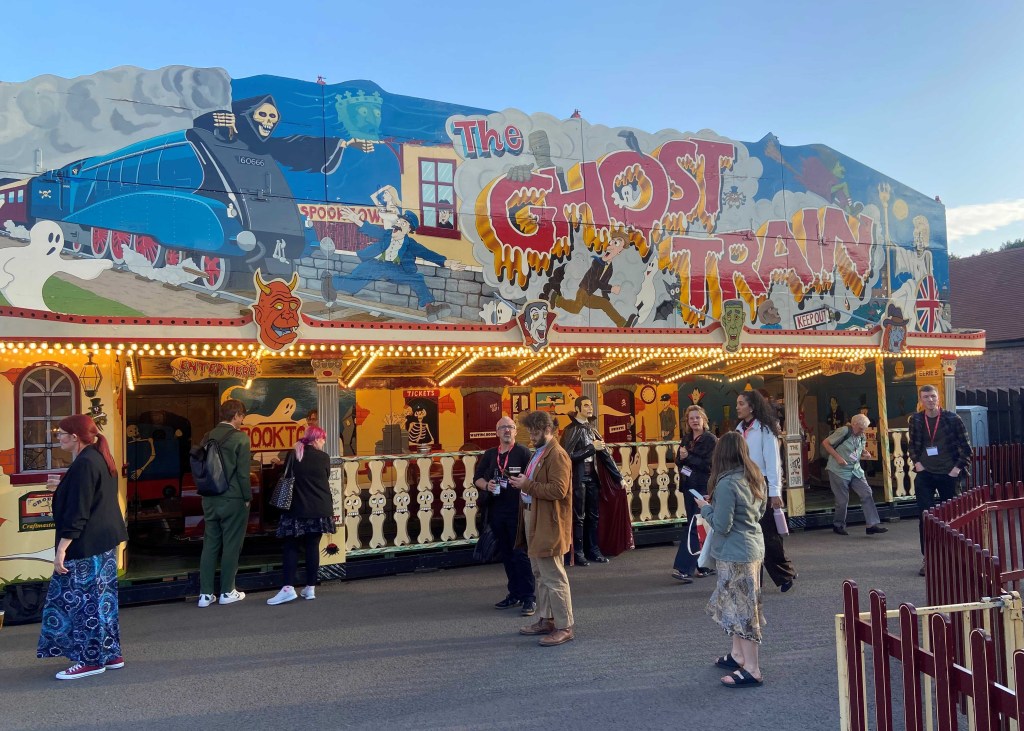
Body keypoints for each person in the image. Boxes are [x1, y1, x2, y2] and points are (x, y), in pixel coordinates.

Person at [37, 414, 128, 680]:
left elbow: (79, 511)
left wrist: (62, 549)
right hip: (103, 542)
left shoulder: (84, 463)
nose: (59, 439)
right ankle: (110, 654)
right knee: (103, 602)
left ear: (75, 437)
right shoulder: (99, 457)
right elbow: (91, 495)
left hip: (85, 544)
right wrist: (63, 486)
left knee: (83, 603)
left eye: (61, 434)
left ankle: (89, 661)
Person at [693, 431, 767, 688]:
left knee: (742, 610)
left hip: (734, 552)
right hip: (753, 546)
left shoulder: (726, 483)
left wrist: (705, 508)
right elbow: (761, 511)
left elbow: (722, 525)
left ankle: (752, 668)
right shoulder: (754, 476)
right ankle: (738, 655)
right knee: (741, 605)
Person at [321, 208, 467, 321]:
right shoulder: (386, 234)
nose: (398, 225)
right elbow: (372, 230)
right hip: (375, 263)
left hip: (395, 268)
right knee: (354, 285)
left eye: (403, 224)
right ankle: (330, 281)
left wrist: (448, 263)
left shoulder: (410, 244)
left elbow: (428, 254)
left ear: (409, 230)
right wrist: (357, 220)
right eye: (398, 222)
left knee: (417, 278)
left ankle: (430, 308)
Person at [510, 411, 575, 646]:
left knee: (553, 575)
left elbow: (558, 490)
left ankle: (564, 626)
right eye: (530, 431)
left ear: (548, 430)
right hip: (534, 517)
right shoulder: (540, 452)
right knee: (540, 573)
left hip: (549, 521)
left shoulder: (557, 455)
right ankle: (547, 619)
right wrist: (524, 484)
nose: (531, 436)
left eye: (535, 432)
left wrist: (527, 484)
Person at [472, 417, 536, 616]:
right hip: (497, 511)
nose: (507, 430)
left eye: (510, 427)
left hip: (518, 511)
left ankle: (529, 598)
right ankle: (514, 594)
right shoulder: (490, 454)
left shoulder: (523, 452)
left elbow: (533, 477)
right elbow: (477, 478)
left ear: (516, 431)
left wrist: (523, 482)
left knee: (520, 555)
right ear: (497, 432)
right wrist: (487, 485)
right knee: (507, 555)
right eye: (503, 428)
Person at [735, 390, 797, 592]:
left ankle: (784, 573)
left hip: (762, 485)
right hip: (744, 486)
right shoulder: (738, 429)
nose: (737, 407)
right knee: (749, 534)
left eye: (741, 403)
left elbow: (773, 462)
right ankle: (754, 578)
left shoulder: (764, 430)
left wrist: (775, 492)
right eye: (737, 403)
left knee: (769, 534)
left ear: (751, 407)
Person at [267, 425, 337, 605]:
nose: (324, 442)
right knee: (313, 547)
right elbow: (325, 477)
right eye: (323, 439)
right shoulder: (324, 457)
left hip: (296, 508)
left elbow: (286, 475)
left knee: (291, 546)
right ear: (316, 439)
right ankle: (310, 587)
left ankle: (288, 588)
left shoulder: (294, 455)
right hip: (320, 508)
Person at [908, 384, 972, 576]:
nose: (930, 400)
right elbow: (912, 445)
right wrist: (917, 463)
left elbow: (966, 447)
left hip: (948, 474)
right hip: (925, 474)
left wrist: (956, 470)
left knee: (953, 516)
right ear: (921, 400)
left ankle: (954, 556)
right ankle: (928, 558)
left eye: (933, 396)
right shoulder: (916, 420)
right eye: (926, 397)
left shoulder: (953, 419)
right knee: (925, 517)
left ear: (938, 398)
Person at [197, 399, 252, 608]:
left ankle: (205, 594)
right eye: (242, 416)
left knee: (210, 544)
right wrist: (247, 498)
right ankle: (227, 591)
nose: (242, 420)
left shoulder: (207, 436)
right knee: (231, 544)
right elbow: (243, 474)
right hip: (233, 498)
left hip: (209, 498)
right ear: (236, 415)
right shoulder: (240, 438)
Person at [560, 396, 611, 565]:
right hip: (578, 477)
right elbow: (567, 456)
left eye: (591, 405)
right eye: (586, 405)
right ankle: (578, 552)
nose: (590, 408)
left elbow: (605, 455)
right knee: (579, 516)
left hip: (593, 477)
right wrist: (591, 449)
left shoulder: (592, 429)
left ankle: (593, 549)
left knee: (593, 515)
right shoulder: (570, 430)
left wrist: (618, 478)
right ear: (577, 408)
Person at [671, 405, 718, 583]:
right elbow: (679, 461)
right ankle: (703, 565)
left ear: (704, 419)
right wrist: (682, 459)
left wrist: (687, 458)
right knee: (699, 526)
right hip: (688, 487)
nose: (695, 421)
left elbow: (708, 465)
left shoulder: (710, 440)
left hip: (702, 488)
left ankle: (684, 568)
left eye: (697, 417)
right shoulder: (686, 439)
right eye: (691, 418)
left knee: (694, 527)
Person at [822, 414, 888, 536]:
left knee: (866, 493)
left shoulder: (861, 435)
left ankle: (871, 525)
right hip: (838, 470)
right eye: (861, 428)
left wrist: (865, 453)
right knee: (842, 500)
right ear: (854, 424)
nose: (862, 431)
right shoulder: (843, 431)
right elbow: (826, 443)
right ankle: (838, 525)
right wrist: (838, 458)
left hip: (855, 470)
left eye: (864, 429)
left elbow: (858, 448)